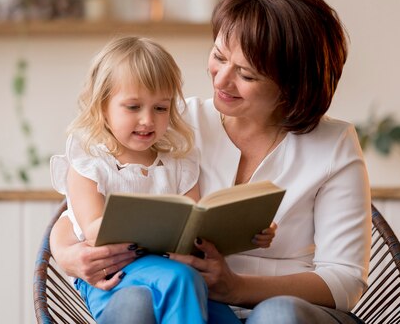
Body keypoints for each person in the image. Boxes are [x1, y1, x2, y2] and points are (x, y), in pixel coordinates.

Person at [50, 0, 371, 323]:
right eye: (218, 56)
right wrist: (69, 254)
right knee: (137, 304)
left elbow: (345, 281)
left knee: (277, 315)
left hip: (295, 312)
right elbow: (84, 206)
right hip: (185, 301)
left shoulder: (334, 144)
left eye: (246, 75)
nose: (220, 80)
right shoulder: (171, 122)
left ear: (292, 87)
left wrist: (235, 287)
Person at [50, 35, 276, 324]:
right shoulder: (89, 162)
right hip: (113, 275)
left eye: (160, 108)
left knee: (219, 312)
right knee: (181, 278)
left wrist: (248, 228)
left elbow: (195, 225)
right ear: (102, 106)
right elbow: (95, 231)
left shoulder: (178, 164)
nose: (147, 120)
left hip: (171, 271)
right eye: (133, 107)